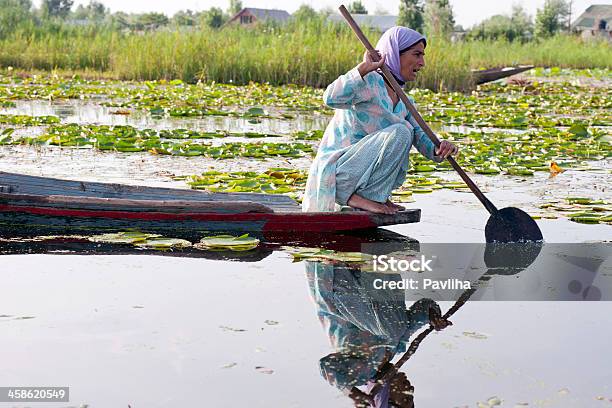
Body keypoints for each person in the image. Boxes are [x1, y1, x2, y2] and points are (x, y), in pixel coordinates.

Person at [302, 26, 459, 214]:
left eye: (422, 55)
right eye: (417, 54)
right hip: (337, 172)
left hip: (359, 176)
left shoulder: (405, 101)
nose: (422, 62)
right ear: (394, 54)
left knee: (407, 130)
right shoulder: (368, 81)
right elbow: (330, 98)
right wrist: (363, 69)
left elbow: (422, 138)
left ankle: (374, 196)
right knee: (402, 131)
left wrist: (441, 147)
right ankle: (356, 197)